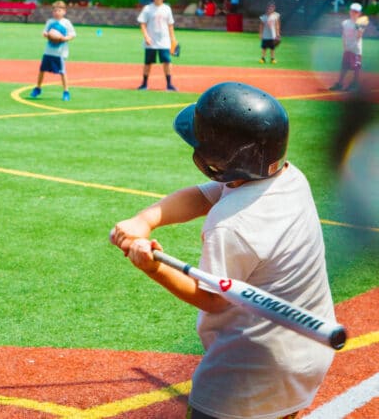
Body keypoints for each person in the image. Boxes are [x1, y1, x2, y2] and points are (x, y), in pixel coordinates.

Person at [110, 81, 336, 419]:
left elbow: (212, 299)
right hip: (306, 348)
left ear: (216, 160)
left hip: (252, 367)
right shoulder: (287, 178)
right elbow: (203, 195)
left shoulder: (231, 225)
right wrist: (145, 220)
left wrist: (152, 266)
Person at [29, 0, 76, 101]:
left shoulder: (66, 23)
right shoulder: (50, 22)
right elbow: (44, 32)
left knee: (62, 72)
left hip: (60, 53)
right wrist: (48, 35)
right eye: (54, 10)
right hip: (48, 52)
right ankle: (38, 88)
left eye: (59, 10)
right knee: (42, 70)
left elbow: (73, 34)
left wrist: (64, 38)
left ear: (64, 11)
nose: (56, 12)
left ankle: (66, 91)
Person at [137, 0, 177, 91]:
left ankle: (169, 84)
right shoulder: (148, 8)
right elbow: (142, 23)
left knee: (167, 62)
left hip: (164, 41)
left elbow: (170, 25)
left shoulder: (167, 9)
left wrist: (173, 40)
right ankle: (144, 84)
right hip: (151, 41)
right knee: (148, 63)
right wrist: (146, 36)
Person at [330, 2, 365, 92]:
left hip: (356, 49)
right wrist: (344, 46)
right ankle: (340, 83)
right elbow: (344, 35)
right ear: (350, 11)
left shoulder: (360, 23)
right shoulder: (345, 23)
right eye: (352, 11)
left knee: (356, 67)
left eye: (356, 12)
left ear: (359, 13)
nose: (353, 13)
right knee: (344, 66)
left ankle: (355, 84)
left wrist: (353, 45)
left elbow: (359, 35)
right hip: (347, 49)